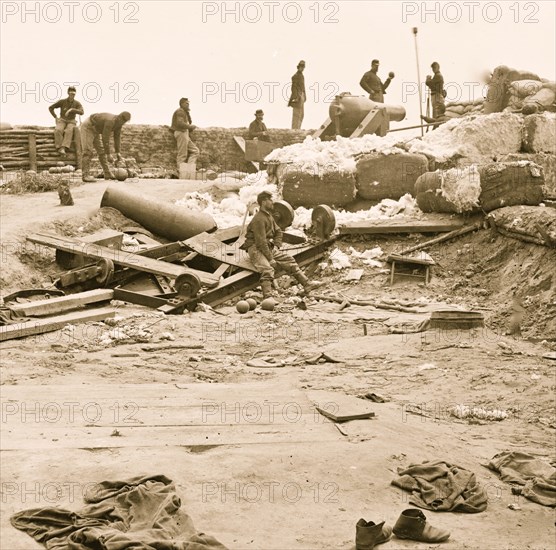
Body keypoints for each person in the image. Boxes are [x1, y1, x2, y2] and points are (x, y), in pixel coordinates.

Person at [241, 191, 322, 298]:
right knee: (267, 269)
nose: (272, 202)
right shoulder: (258, 219)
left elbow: (278, 231)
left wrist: (277, 245)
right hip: (255, 248)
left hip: (267, 247)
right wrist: (270, 259)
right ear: (264, 202)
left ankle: (307, 284)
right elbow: (261, 242)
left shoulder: (268, 216)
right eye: (270, 200)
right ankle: (268, 297)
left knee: (289, 260)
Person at [80, 112, 131, 183]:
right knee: (87, 151)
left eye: (125, 122)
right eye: (123, 121)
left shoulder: (119, 124)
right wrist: (108, 154)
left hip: (96, 130)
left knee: (101, 152)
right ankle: (85, 175)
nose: (123, 123)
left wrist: (118, 152)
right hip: (89, 126)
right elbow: (105, 138)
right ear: (119, 118)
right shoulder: (110, 121)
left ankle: (107, 173)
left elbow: (117, 137)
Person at [48, 86, 84, 156]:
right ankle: (59, 147)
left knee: (68, 131)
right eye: (71, 93)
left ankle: (63, 148)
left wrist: (72, 110)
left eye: (73, 94)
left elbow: (82, 112)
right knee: (58, 130)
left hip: (72, 121)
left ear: (75, 94)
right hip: (62, 120)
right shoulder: (62, 101)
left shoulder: (77, 103)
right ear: (68, 93)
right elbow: (51, 108)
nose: (72, 95)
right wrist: (55, 117)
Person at [170, 98, 200, 170]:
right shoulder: (180, 111)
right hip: (181, 133)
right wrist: (190, 126)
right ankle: (181, 172)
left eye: (188, 103)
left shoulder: (184, 112)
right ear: (182, 104)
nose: (188, 105)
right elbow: (180, 123)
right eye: (186, 103)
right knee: (182, 154)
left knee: (195, 151)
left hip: (184, 133)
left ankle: (189, 170)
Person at [288, 60, 306, 129]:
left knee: (301, 115)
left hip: (301, 96)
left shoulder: (302, 76)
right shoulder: (295, 76)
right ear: (298, 67)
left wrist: (304, 96)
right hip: (297, 97)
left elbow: (303, 87)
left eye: (303, 67)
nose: (302, 68)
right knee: (296, 115)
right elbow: (293, 88)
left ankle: (298, 129)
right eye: (301, 66)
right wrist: (295, 97)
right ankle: (294, 130)